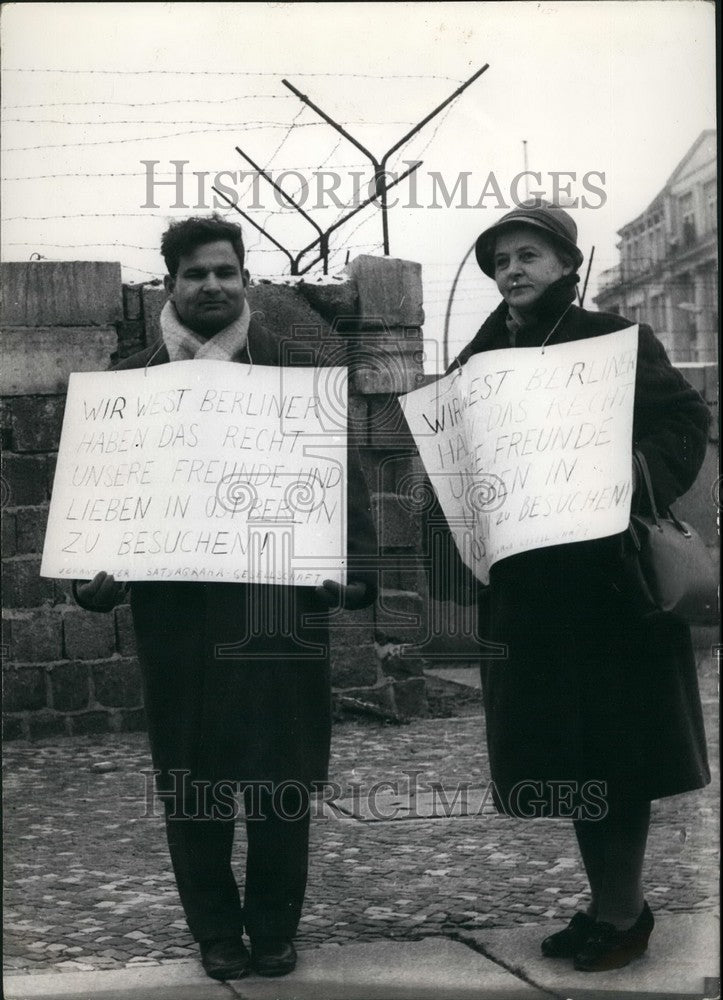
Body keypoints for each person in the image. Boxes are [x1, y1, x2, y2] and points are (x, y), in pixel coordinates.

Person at [73, 215, 377, 981]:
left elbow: (346, 493)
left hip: (277, 612)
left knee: (281, 781)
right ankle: (215, 931)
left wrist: (355, 573)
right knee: (191, 782)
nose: (211, 285)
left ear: (246, 279)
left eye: (224, 272)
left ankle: (274, 929)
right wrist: (92, 576)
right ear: (168, 284)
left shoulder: (296, 374)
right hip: (176, 617)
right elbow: (97, 500)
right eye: (194, 274)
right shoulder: (129, 388)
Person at [440, 201, 711, 972]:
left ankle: (624, 913)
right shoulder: (481, 359)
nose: (510, 271)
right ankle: (606, 904)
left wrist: (629, 476)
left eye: (527, 255)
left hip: (610, 587)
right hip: (531, 591)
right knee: (568, 755)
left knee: (616, 753)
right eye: (499, 262)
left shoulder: (614, 341)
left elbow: (683, 424)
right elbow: (456, 457)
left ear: (566, 265)